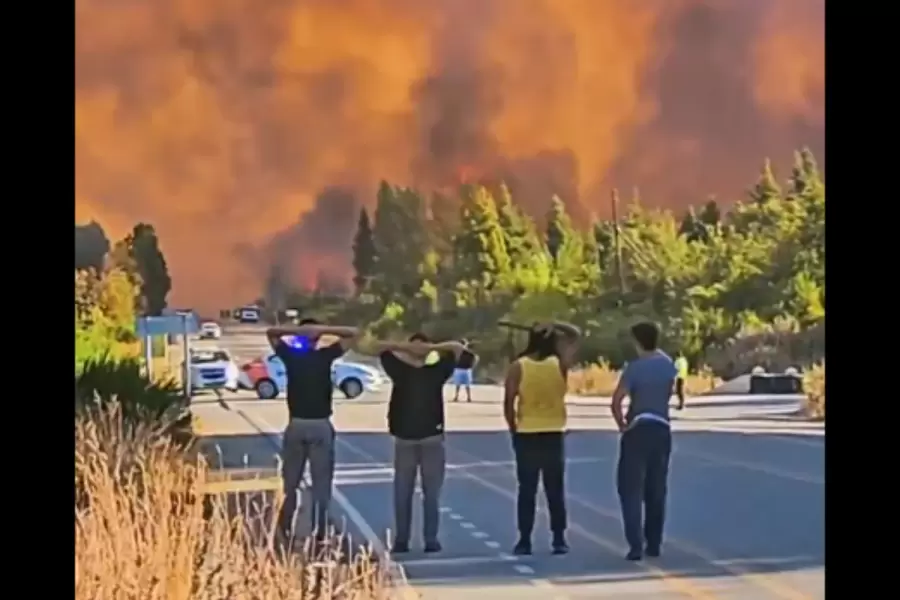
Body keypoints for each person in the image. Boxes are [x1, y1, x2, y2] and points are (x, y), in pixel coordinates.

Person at [369, 334, 473, 554]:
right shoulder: (399, 370)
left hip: (431, 438)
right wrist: (406, 348)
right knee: (402, 492)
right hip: (404, 439)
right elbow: (378, 346)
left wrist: (429, 347)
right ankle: (401, 539)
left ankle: (431, 539)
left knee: (431, 494)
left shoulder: (436, 370)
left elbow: (457, 347)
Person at [265, 318, 361, 545]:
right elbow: (352, 333)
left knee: (291, 483)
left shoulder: (295, 356)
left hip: (299, 424)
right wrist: (317, 331)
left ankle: (286, 529)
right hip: (316, 425)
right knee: (320, 483)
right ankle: (318, 532)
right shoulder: (320, 356)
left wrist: (307, 331)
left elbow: (354, 332)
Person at [610, 321, 685, 561]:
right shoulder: (667, 366)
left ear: (637, 341)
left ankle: (635, 544)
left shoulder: (634, 368)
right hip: (662, 428)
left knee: (630, 488)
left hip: (638, 428)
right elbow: (670, 388)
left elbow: (616, 401)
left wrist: (622, 425)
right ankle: (654, 543)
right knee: (656, 488)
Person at [504, 322, 580, 556]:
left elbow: (508, 402)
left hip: (527, 433)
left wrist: (513, 428)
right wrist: (555, 323)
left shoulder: (519, 366)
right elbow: (576, 335)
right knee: (554, 489)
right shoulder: (559, 365)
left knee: (527, 489)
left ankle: (524, 539)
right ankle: (558, 538)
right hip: (553, 432)